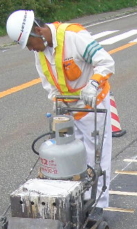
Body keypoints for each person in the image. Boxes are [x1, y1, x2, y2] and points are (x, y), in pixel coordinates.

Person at [6, 9, 115, 208]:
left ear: (37, 31)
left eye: (30, 44)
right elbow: (49, 84)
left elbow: (106, 62)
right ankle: (79, 201)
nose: (31, 49)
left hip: (93, 106)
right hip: (69, 112)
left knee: (97, 157)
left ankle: (99, 206)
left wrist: (93, 84)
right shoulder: (41, 53)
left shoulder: (73, 36)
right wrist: (57, 104)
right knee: (72, 157)